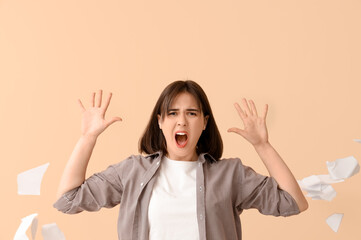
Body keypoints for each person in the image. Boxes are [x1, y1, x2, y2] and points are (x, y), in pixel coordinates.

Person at [54, 80, 308, 240]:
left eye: (192, 113)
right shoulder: (132, 171)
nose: (182, 121)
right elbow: (68, 199)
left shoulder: (230, 174)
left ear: (205, 122)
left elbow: (294, 203)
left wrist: (262, 145)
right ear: (160, 121)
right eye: (173, 113)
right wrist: (88, 138)